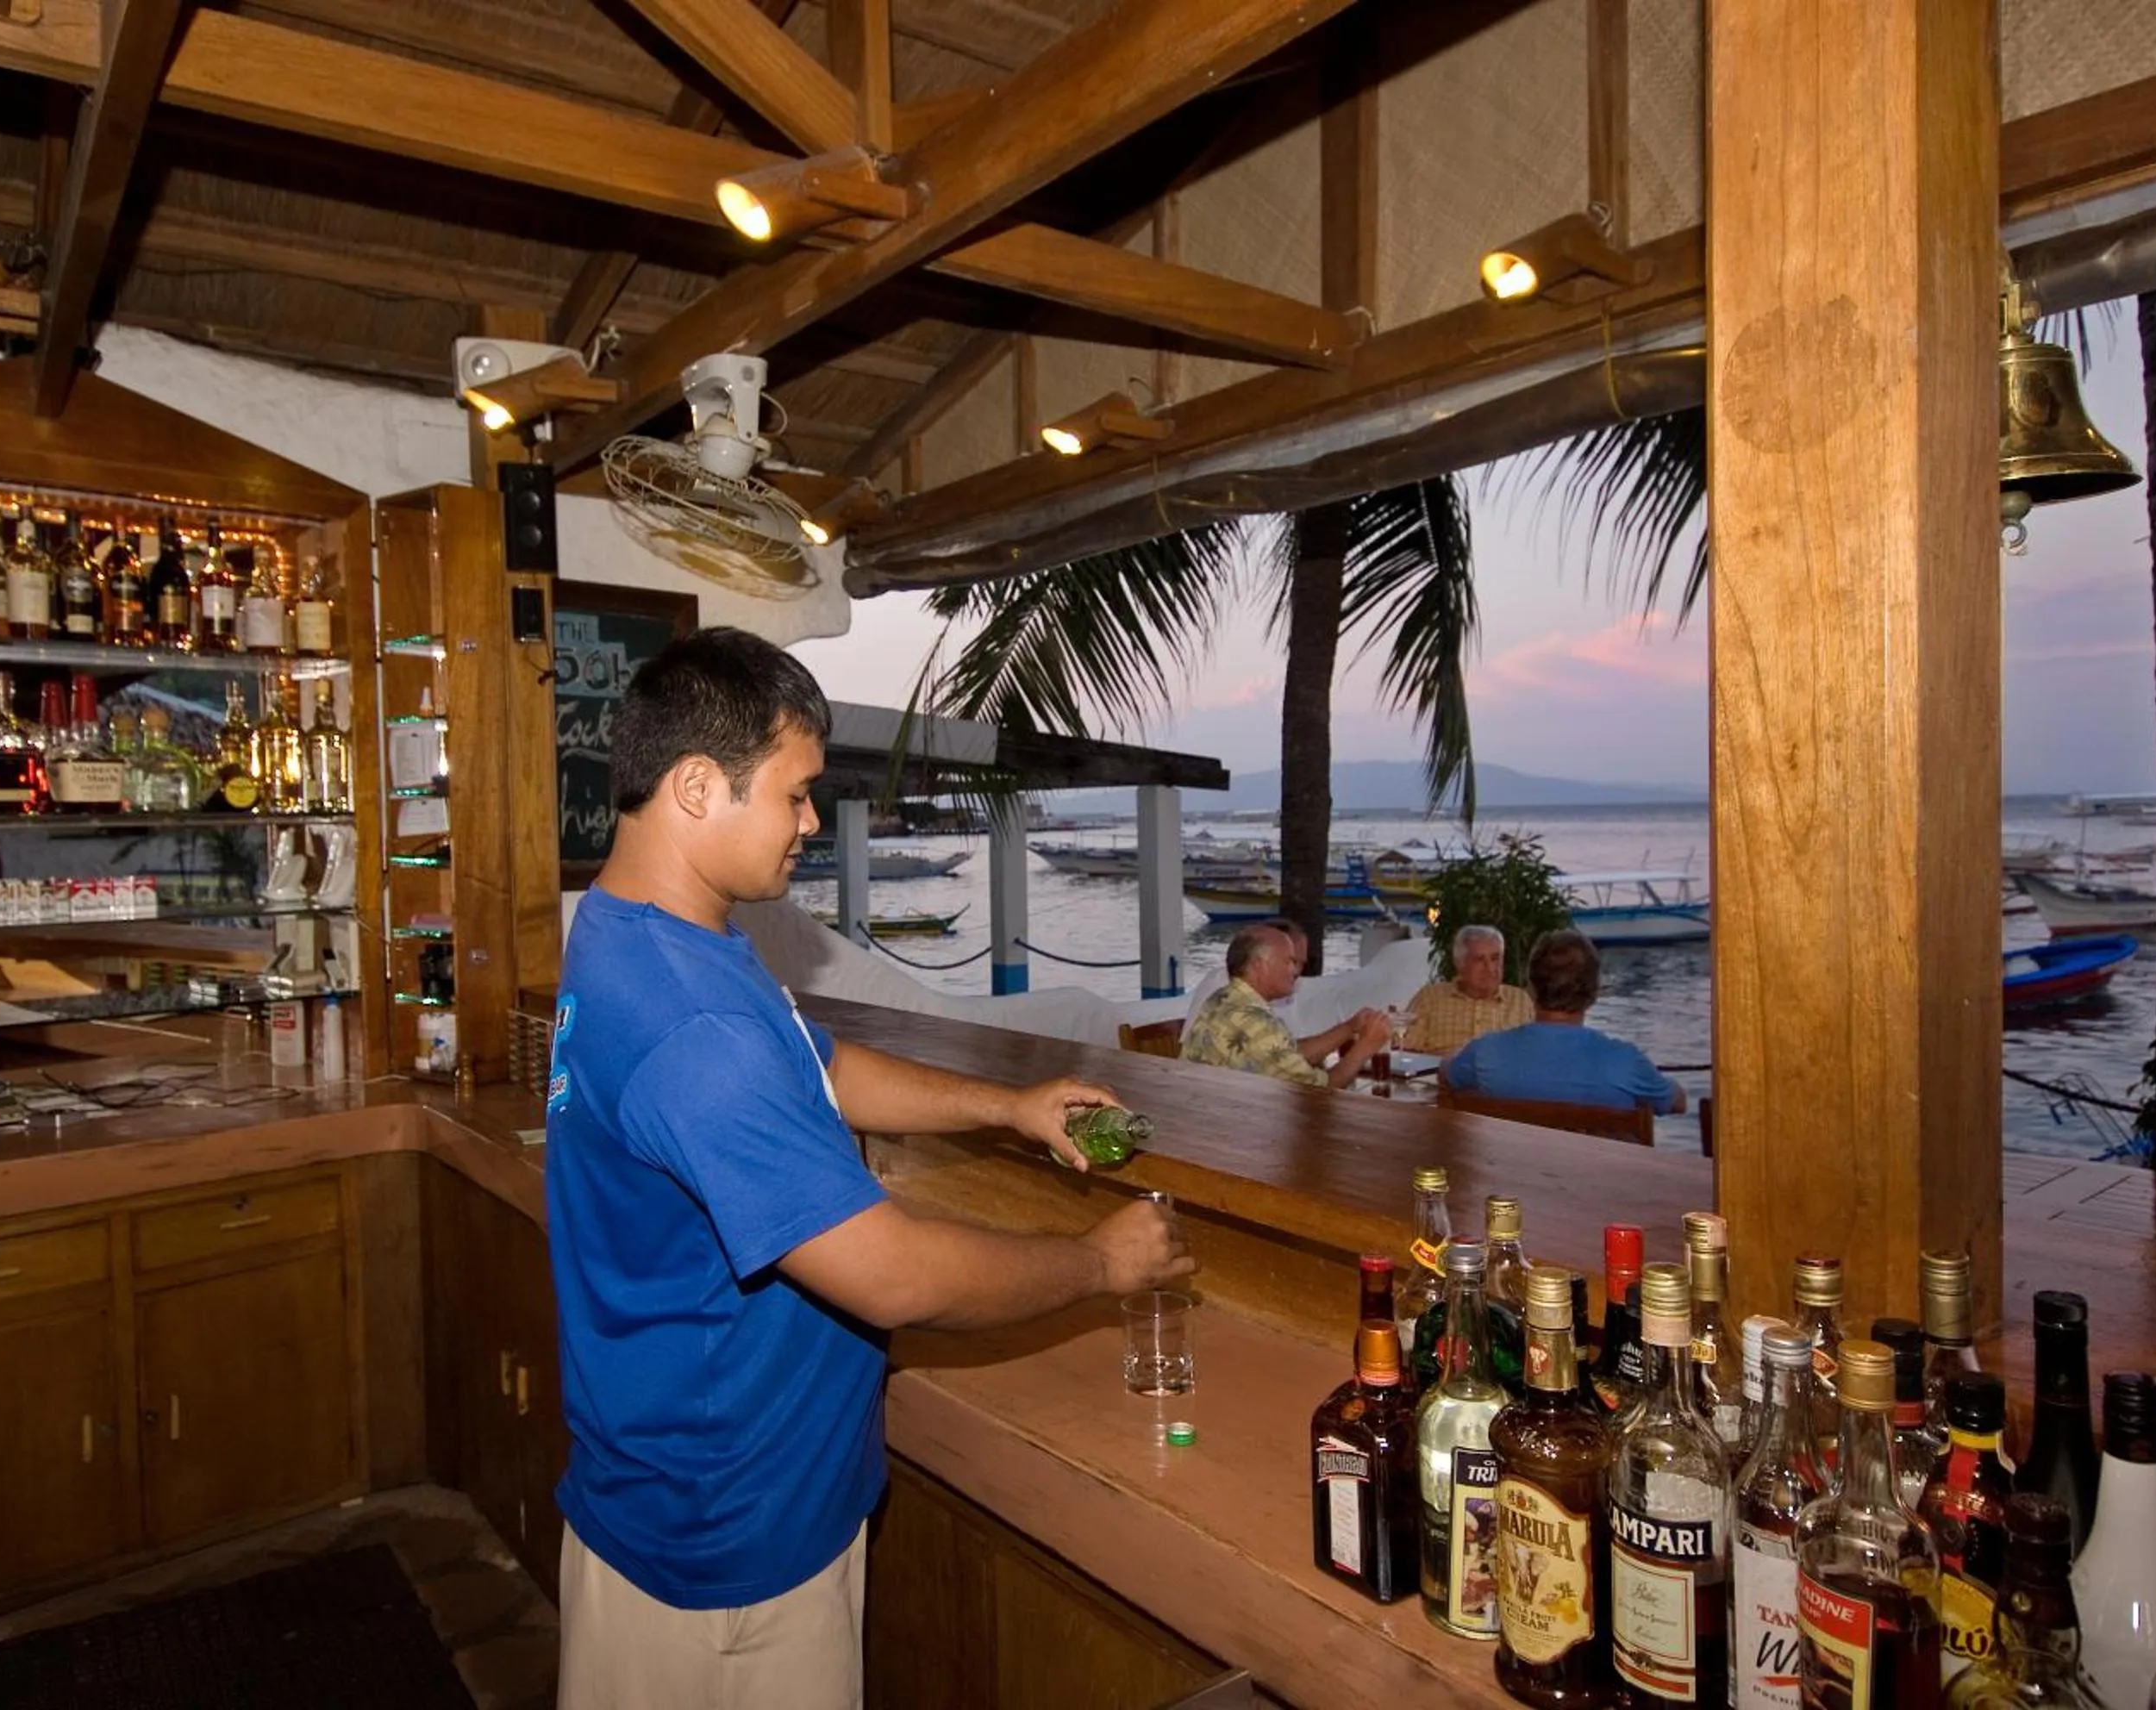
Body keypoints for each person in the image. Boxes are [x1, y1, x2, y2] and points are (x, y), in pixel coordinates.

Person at [545, 627, 1194, 1710]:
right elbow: (889, 1274)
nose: (812, 822)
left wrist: (1007, 1109)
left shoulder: (640, 935)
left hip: (696, 1490)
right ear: (698, 787)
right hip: (726, 1547)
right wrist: (1097, 1262)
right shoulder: (692, 1025)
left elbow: (819, 1066)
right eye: (797, 795)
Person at [1446, 928, 1685, 1114]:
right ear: (1594, 993)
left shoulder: (1487, 1053)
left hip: (1515, 1176)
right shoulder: (1626, 1063)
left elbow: (1448, 1074)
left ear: (1530, 989)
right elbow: (1677, 1103)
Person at [1181, 921, 1390, 1089]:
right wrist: (1367, 1047)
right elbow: (1319, 1092)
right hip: (1236, 1131)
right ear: (1259, 966)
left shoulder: (1224, 998)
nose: (1295, 971)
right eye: (1289, 962)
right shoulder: (1255, 1022)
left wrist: (1349, 1027)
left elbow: (1287, 1054)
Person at [1403, 922, 1536, 1055]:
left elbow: (1535, 1055)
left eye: (1495, 959)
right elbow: (1405, 1051)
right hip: (1441, 1073)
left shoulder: (1520, 1002)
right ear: (1459, 963)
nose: (1490, 968)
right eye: (1479, 960)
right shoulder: (1430, 999)